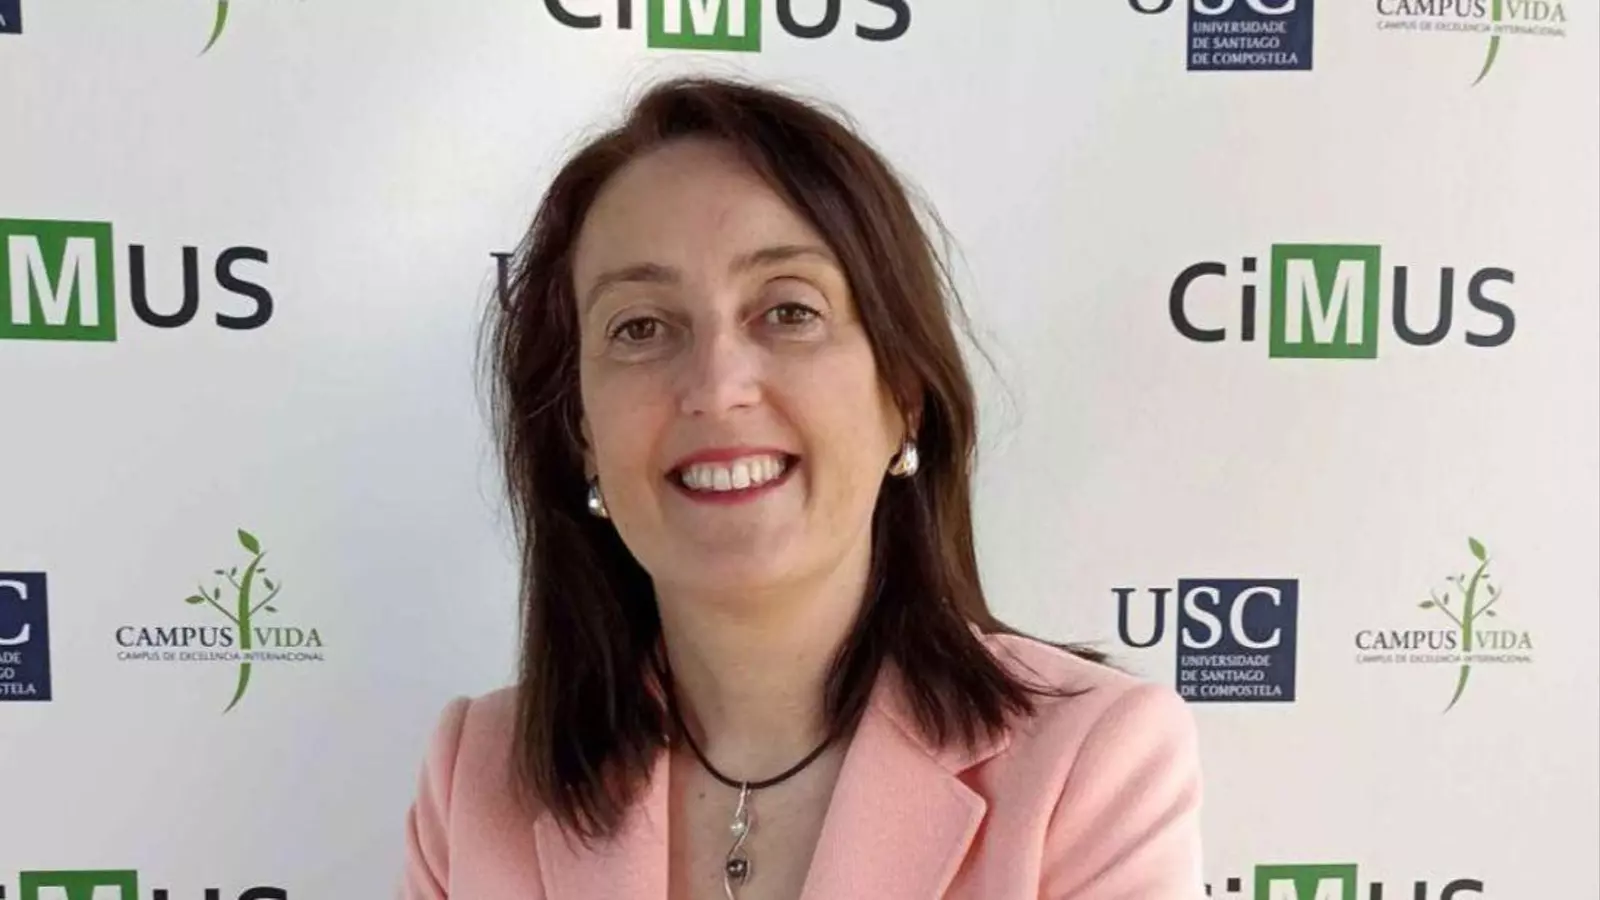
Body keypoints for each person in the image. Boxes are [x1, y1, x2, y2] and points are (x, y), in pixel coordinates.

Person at [400, 75, 1204, 900]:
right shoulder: (474, 780)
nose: (717, 387)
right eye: (639, 326)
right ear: (582, 434)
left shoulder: (1089, 764)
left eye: (789, 311)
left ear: (904, 395)